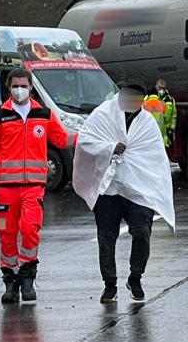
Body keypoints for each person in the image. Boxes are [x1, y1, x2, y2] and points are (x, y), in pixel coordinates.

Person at [0, 68, 76, 303]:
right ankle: (10, 283)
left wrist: (89, 138)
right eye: (15, 86)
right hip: (5, 189)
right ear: (9, 88)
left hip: (33, 187)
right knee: (7, 235)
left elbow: (62, 139)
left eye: (23, 86)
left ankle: (28, 278)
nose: (19, 90)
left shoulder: (44, 114)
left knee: (30, 230)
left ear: (31, 87)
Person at [72, 84, 175, 303]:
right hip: (108, 189)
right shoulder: (102, 115)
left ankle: (135, 277)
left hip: (139, 188)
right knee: (106, 238)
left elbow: (155, 155)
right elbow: (86, 141)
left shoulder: (147, 122)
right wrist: (109, 148)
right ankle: (109, 285)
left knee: (142, 232)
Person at [156, 79, 177, 147]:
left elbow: (173, 115)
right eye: (160, 88)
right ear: (156, 88)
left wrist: (172, 128)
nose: (162, 90)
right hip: (155, 128)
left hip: (167, 130)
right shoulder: (153, 99)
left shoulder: (170, 99)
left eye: (163, 88)